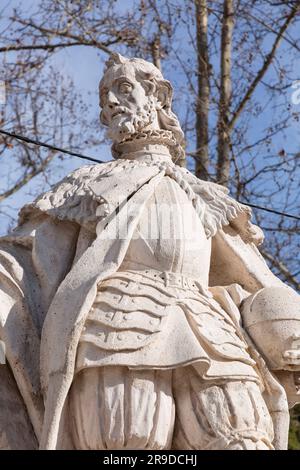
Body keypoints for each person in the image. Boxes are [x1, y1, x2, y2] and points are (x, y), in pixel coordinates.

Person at [0, 53, 299, 450]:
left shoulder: (203, 194)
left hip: (214, 331)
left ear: (157, 96)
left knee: (243, 438)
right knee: (126, 442)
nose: (110, 101)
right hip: (115, 329)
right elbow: (25, 256)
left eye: (122, 88)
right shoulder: (90, 184)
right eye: (104, 94)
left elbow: (255, 280)